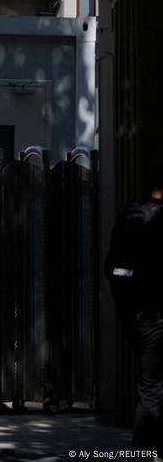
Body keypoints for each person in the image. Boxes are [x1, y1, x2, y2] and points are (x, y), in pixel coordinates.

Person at [106, 162, 163, 455]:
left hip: (131, 311)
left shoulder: (130, 212)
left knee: (151, 382)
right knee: (152, 386)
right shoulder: (158, 220)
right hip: (153, 314)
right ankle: (142, 451)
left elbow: (110, 266)